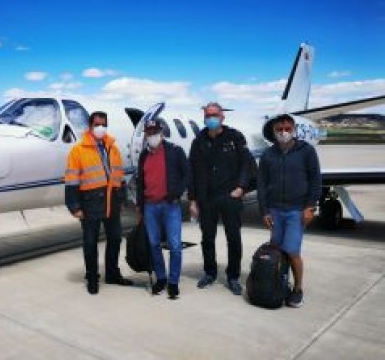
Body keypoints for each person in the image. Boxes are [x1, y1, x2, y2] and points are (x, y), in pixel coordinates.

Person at [65, 111, 133, 295]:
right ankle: (92, 278)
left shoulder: (113, 148)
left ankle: (112, 274)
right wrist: (74, 206)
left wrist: (122, 199)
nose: (100, 128)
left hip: (112, 200)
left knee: (116, 238)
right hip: (90, 203)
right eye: (97, 125)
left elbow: (119, 175)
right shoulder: (78, 150)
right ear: (90, 126)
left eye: (103, 124)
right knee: (90, 242)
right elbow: (71, 180)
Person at [188, 102, 252, 295]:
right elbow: (192, 172)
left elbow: (247, 164)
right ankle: (210, 273)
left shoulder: (234, 138)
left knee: (233, 238)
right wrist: (192, 200)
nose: (211, 118)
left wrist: (241, 188)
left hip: (230, 196)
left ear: (223, 116)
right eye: (208, 115)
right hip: (206, 198)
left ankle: (233, 276)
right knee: (207, 238)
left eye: (214, 115)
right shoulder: (198, 141)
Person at [258, 113, 321, 307]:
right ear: (273, 131)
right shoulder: (268, 154)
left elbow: (315, 180)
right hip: (276, 210)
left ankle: (298, 289)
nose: (284, 132)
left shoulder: (306, 151)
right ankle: (279, 283)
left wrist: (310, 207)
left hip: (296, 210)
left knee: (292, 251)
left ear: (293, 130)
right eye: (279, 129)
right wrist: (264, 211)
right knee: (277, 249)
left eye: (288, 129)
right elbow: (262, 184)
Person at [136, 118, 191, 299]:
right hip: (150, 207)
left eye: (155, 131)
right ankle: (161, 278)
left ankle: (173, 282)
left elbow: (187, 174)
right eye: (149, 132)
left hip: (170, 206)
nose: (152, 135)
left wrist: (177, 192)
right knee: (154, 245)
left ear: (161, 132)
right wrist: (140, 206)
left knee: (175, 246)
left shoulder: (174, 151)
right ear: (146, 134)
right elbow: (140, 183)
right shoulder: (144, 155)